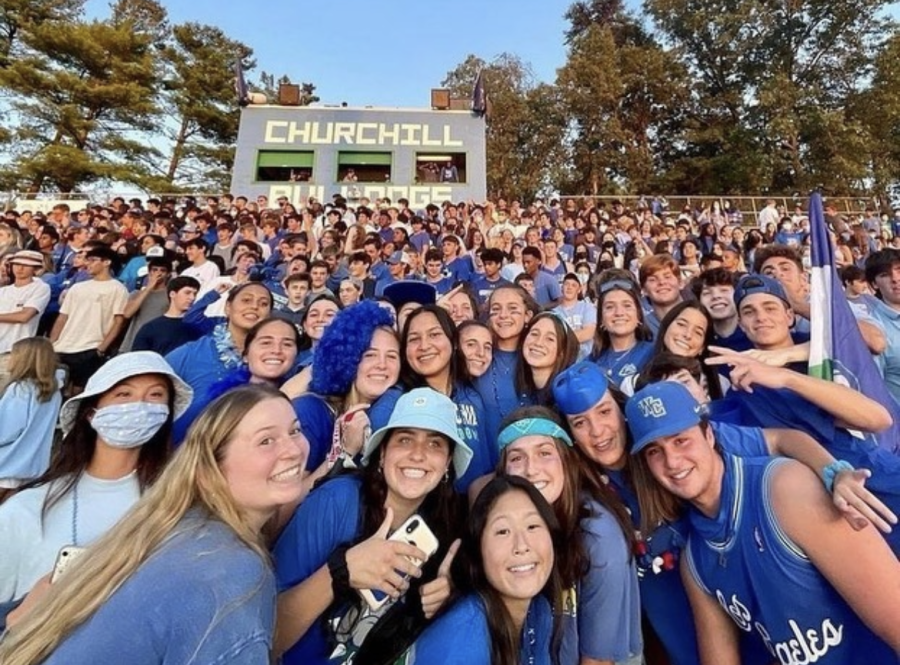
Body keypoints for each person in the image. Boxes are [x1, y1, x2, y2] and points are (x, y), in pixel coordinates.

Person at [0, 384, 308, 664]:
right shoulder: (230, 569)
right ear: (212, 466)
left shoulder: (172, 525)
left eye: (295, 430)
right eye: (266, 441)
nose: (293, 449)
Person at [626, 381, 900, 665]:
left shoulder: (785, 489)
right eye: (654, 451)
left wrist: (834, 471)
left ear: (708, 434)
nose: (672, 461)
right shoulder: (695, 560)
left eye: (680, 440)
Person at [273, 388, 471, 665]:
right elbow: (268, 635)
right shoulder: (337, 501)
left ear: (447, 463)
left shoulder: (442, 527)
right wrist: (341, 571)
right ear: (382, 454)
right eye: (404, 440)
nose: (417, 455)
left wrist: (444, 598)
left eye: (435, 444)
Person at [0, 352, 191, 607]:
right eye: (123, 394)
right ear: (91, 413)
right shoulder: (27, 507)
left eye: (155, 395)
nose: (140, 406)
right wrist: (15, 618)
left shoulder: (176, 505)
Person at [497, 407, 642, 665]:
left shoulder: (598, 539)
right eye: (517, 458)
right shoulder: (511, 523)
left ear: (566, 460)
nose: (531, 470)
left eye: (544, 453)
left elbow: (597, 661)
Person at [405, 475, 558, 665]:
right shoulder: (464, 636)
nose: (522, 545)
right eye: (503, 531)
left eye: (532, 526)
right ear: (478, 549)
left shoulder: (538, 610)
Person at [369, 305, 493, 491]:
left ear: (454, 342)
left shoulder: (472, 397)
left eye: (434, 334)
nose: (424, 345)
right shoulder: (394, 403)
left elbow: (484, 470)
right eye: (414, 339)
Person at [288, 301, 400, 498]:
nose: (382, 365)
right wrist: (343, 451)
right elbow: (280, 513)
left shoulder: (396, 415)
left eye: (392, 356)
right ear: (346, 358)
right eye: (370, 355)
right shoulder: (310, 412)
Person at [165, 281, 273, 442]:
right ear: (228, 308)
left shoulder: (274, 360)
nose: (255, 306)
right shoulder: (192, 352)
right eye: (246, 300)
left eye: (263, 303)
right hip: (185, 453)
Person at [0, 338, 65, 502]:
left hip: (7, 462)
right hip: (32, 464)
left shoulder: (20, 389)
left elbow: (7, 430)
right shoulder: (53, 391)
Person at [591, 276, 654, 388]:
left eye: (627, 306)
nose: (619, 313)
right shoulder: (591, 362)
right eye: (610, 307)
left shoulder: (654, 354)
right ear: (601, 319)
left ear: (638, 315)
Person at [0, 250, 51, 383]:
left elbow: (24, 316)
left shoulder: (41, 288)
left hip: (17, 351)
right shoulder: (3, 291)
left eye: (26, 265)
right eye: (16, 264)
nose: (20, 268)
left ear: (35, 269)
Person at [516, 311, 579, 406]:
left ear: (562, 352)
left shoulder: (568, 396)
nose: (538, 343)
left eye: (550, 339)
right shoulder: (523, 390)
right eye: (534, 334)